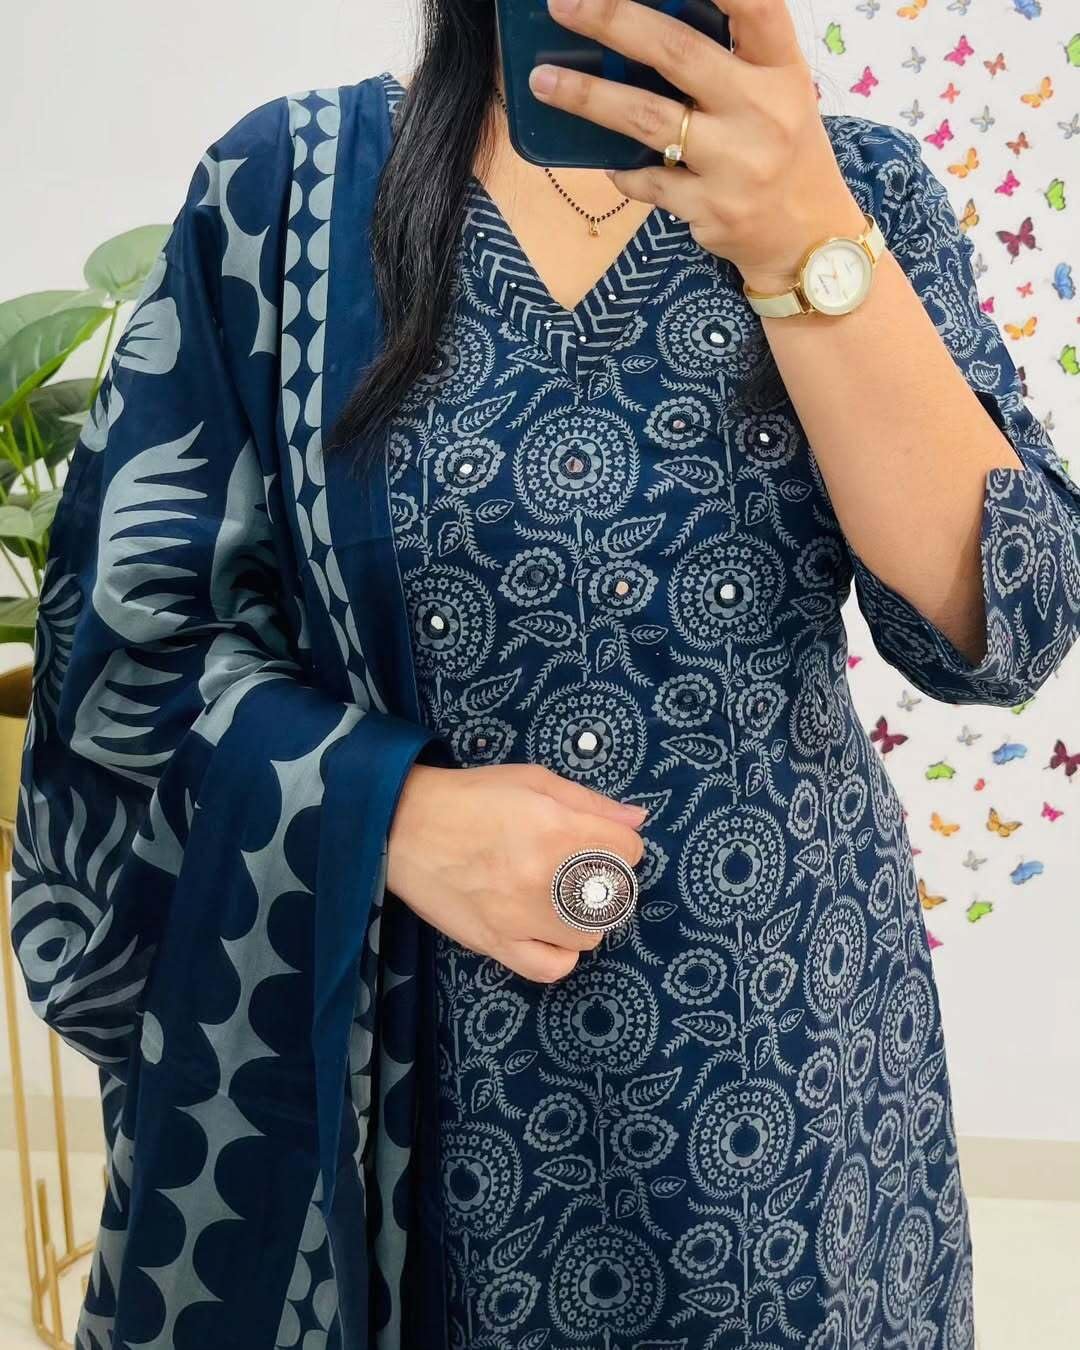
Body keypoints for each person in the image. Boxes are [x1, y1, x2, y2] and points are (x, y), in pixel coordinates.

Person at [11, 1, 1080, 1347]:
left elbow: (1006, 619)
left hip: (791, 1091)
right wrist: (387, 814)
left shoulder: (857, 186)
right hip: (412, 1106)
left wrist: (804, 238)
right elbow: (128, 648)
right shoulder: (286, 196)